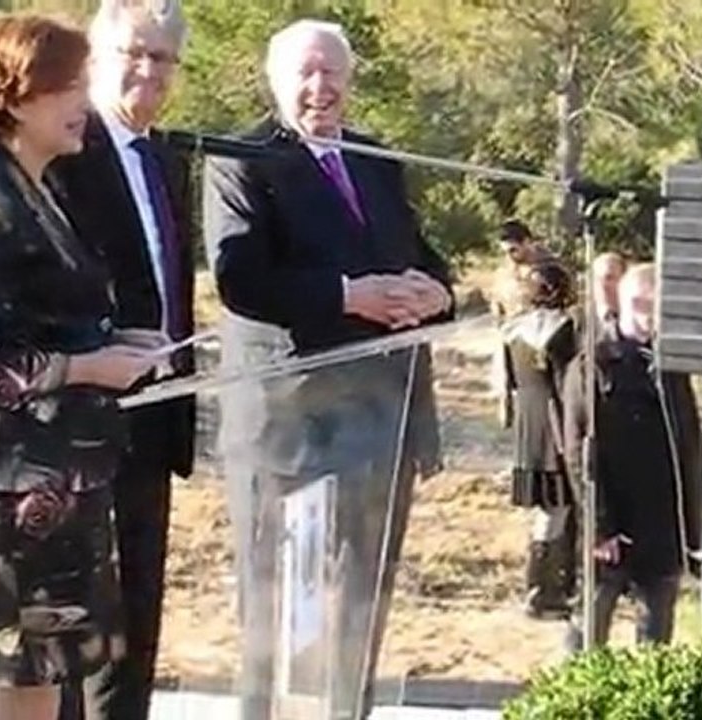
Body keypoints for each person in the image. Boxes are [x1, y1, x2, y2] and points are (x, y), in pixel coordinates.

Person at [203, 18, 453, 720]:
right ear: (276, 81)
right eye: (306, 73)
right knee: (278, 614)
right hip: (290, 429)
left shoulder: (375, 158)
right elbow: (242, 280)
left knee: (361, 602)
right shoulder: (241, 157)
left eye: (333, 72)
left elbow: (420, 255)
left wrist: (439, 292)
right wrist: (351, 296)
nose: (321, 87)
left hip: (383, 420)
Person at [0, 14, 160, 720]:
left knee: (49, 672)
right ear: (16, 92)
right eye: (67, 86)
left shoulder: (36, 188)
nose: (83, 104)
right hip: (19, 480)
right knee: (23, 673)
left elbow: (40, 317)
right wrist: (91, 367)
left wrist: (120, 341)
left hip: (64, 472)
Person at [48, 2, 195, 719]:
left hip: (154, 420)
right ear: (96, 58)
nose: (148, 70)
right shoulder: (67, 156)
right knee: (82, 638)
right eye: (133, 53)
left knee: (138, 627)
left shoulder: (165, 157)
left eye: (162, 57)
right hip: (78, 423)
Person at [563, 263, 702, 648]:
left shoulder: (670, 366)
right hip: (613, 518)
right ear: (626, 303)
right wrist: (600, 524)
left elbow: (688, 444)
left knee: (656, 631)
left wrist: (692, 524)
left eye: (661, 307)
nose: (652, 316)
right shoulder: (593, 365)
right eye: (645, 306)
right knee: (590, 625)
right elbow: (577, 453)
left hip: (661, 522)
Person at [499, 259, 581, 618]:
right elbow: (570, 385)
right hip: (556, 423)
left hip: (528, 424)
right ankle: (542, 590)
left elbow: (506, 384)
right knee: (557, 508)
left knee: (550, 509)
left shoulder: (511, 330)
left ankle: (555, 583)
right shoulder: (565, 329)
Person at [490, 220, 550, 320]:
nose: (509, 256)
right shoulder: (503, 272)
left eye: (513, 250)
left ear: (526, 242)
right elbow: (496, 307)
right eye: (505, 252)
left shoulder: (549, 269)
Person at [591, 251, 626, 326]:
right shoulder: (576, 323)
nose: (602, 284)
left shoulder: (637, 320)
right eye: (597, 279)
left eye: (608, 278)